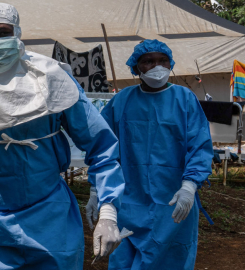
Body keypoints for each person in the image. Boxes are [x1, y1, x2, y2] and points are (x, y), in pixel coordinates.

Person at [0, 3, 125, 269]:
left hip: (49, 223)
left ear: (17, 32)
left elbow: (101, 146)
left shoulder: (54, 81)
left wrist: (109, 211)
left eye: (2, 32)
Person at [86, 39, 213, 269]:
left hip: (173, 201)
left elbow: (200, 146)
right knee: (125, 257)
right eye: (148, 61)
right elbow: (103, 149)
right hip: (128, 201)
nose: (157, 66)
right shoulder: (121, 102)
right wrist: (97, 190)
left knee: (171, 258)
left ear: (171, 63)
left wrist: (189, 186)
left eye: (163, 61)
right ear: (136, 67)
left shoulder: (185, 100)